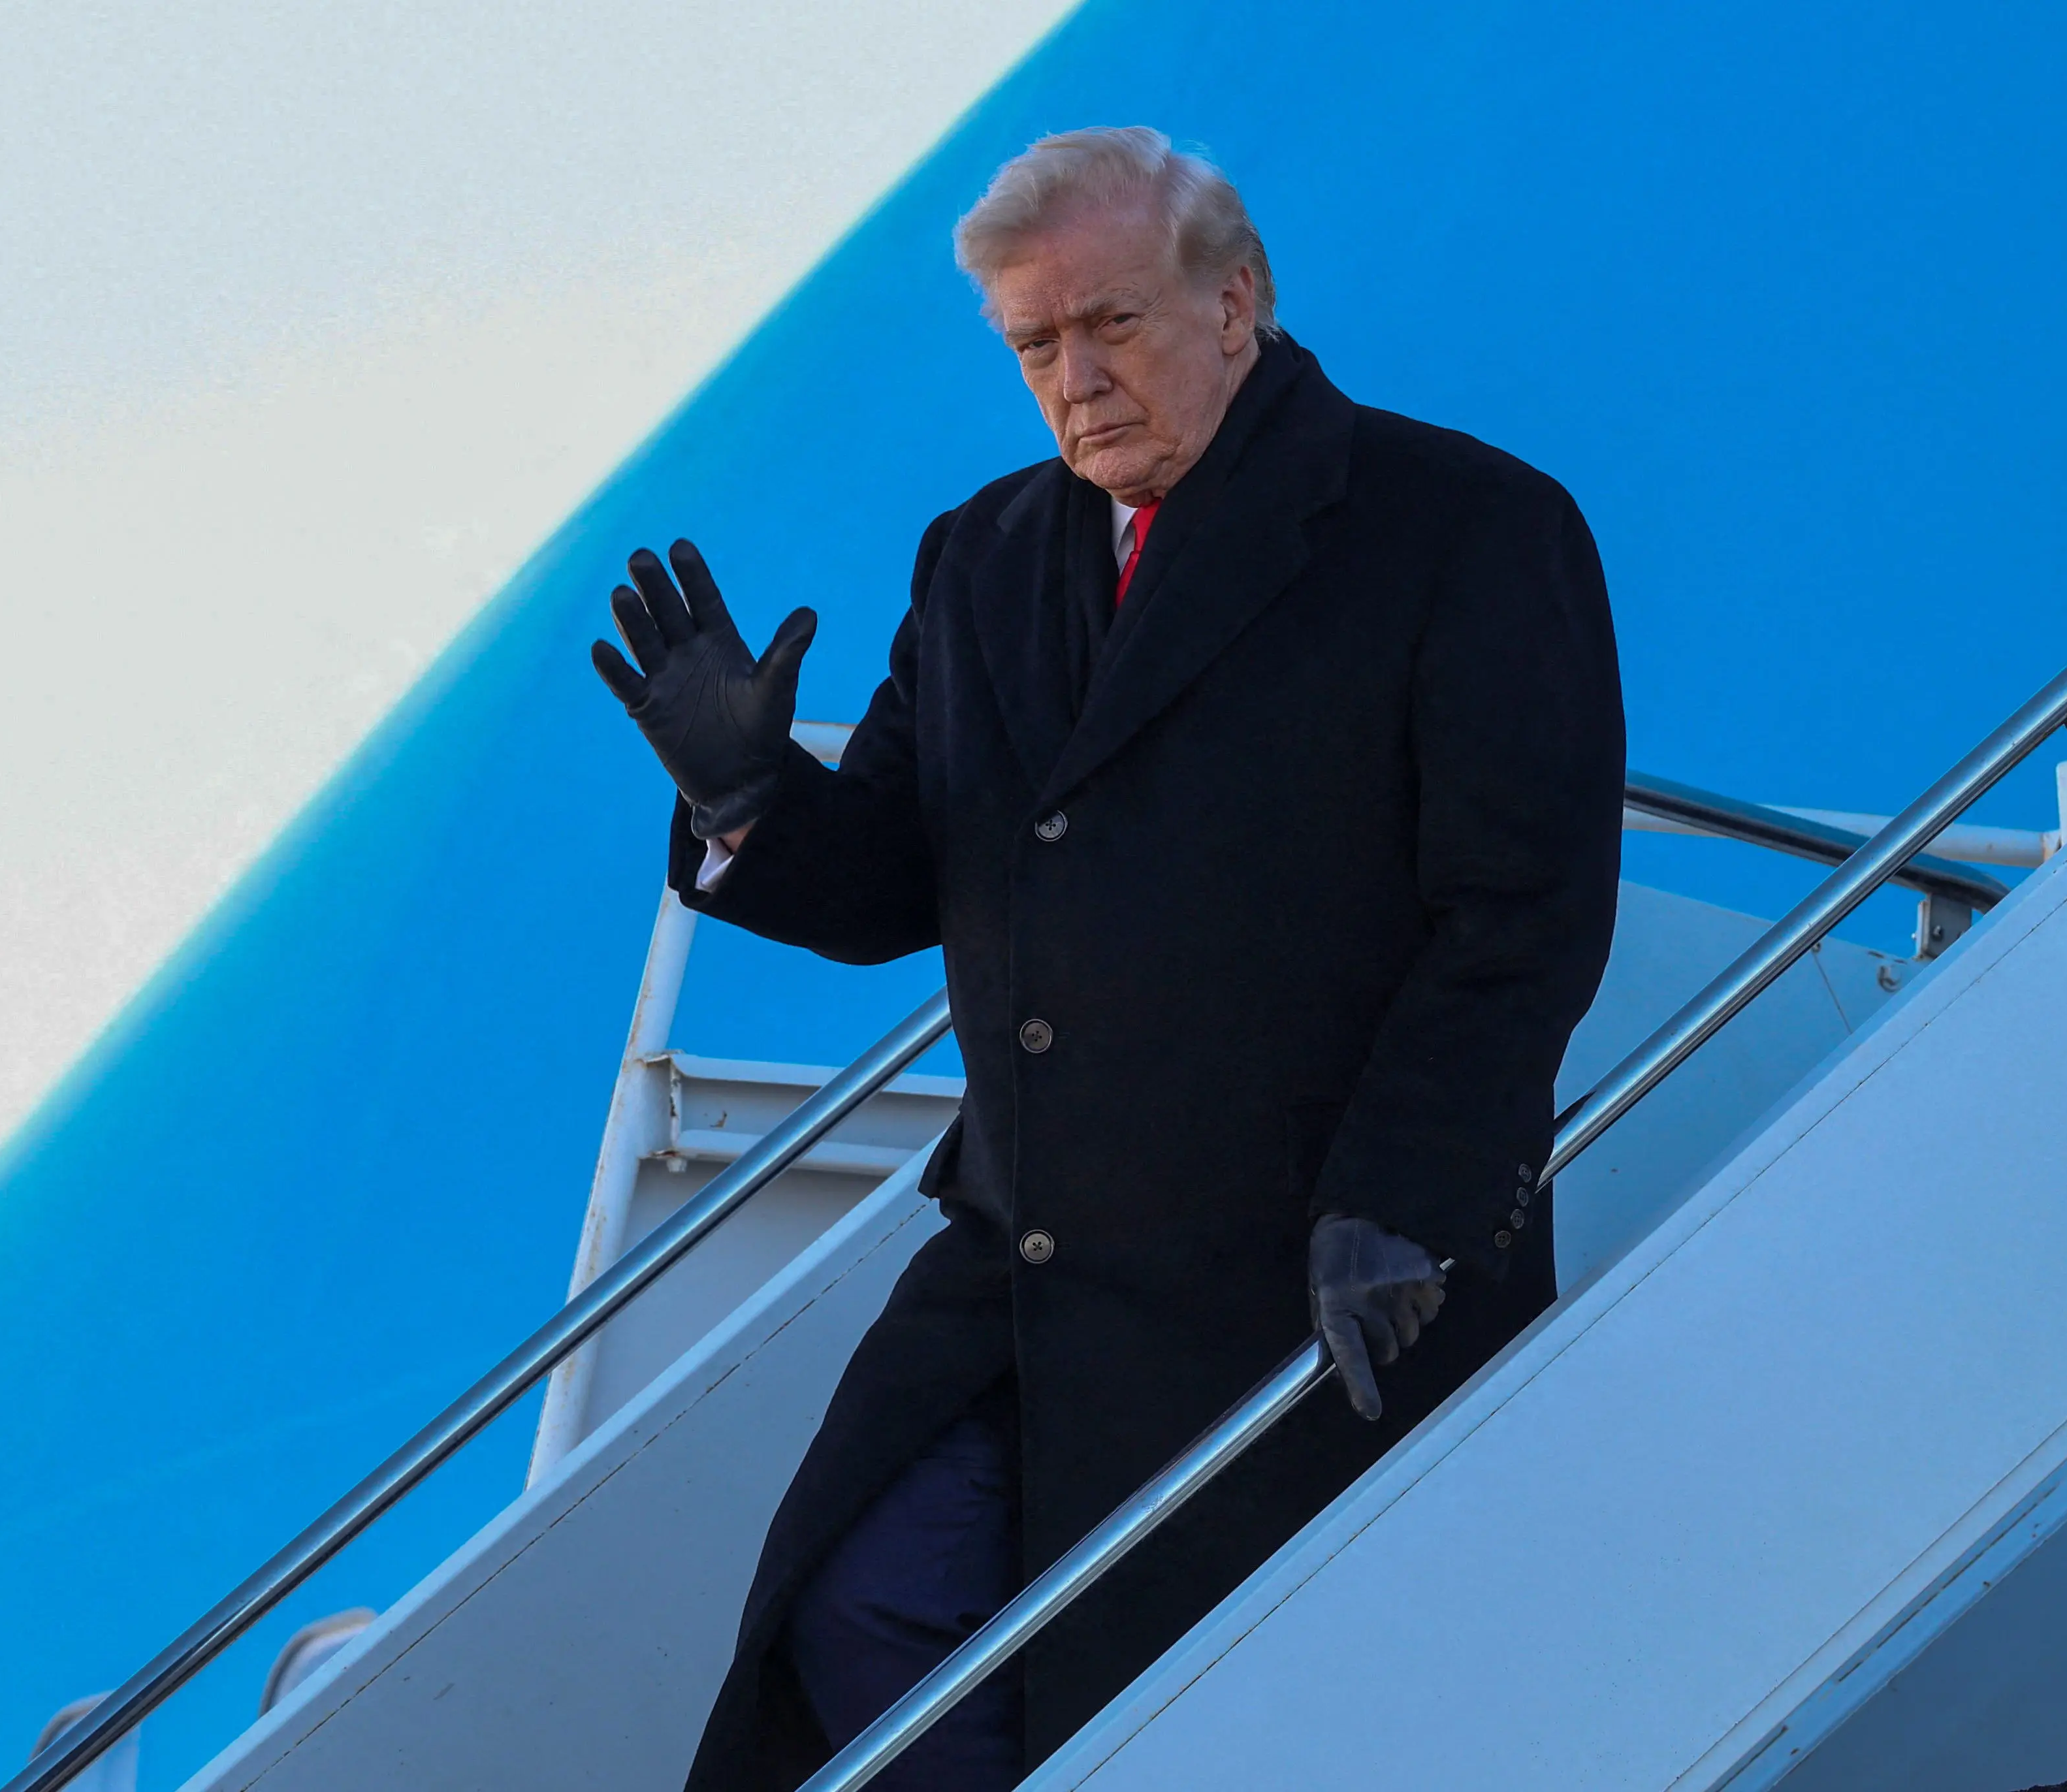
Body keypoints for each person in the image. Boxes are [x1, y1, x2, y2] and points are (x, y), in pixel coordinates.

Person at [590, 126, 1624, 1791]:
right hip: (1026, 1266)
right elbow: (896, 885)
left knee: (1238, 1718)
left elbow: (1524, 912)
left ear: (1239, 304)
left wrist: (1415, 1193)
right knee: (855, 1613)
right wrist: (745, 797)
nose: (1076, 380)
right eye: (1034, 345)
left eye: (1113, 326)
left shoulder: (1465, 526)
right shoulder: (984, 553)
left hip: (1315, 1271)